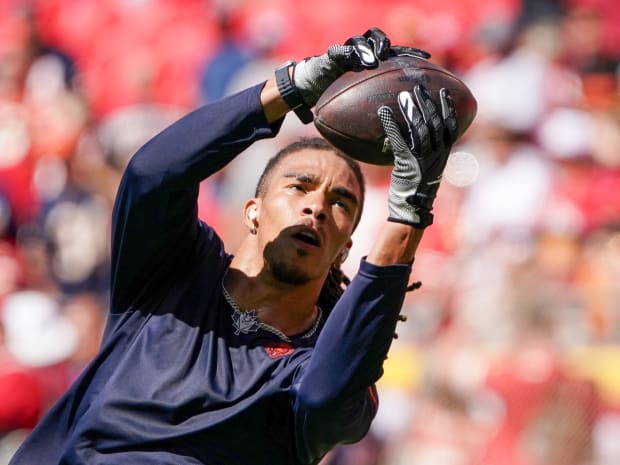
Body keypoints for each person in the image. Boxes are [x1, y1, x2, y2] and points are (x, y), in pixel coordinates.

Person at [9, 28, 458, 465]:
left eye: (340, 203)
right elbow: (152, 175)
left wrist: (408, 213)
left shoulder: (322, 360)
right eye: (299, 187)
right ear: (252, 212)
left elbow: (326, 397)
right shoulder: (176, 272)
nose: (316, 207)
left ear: (345, 248)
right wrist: (290, 88)